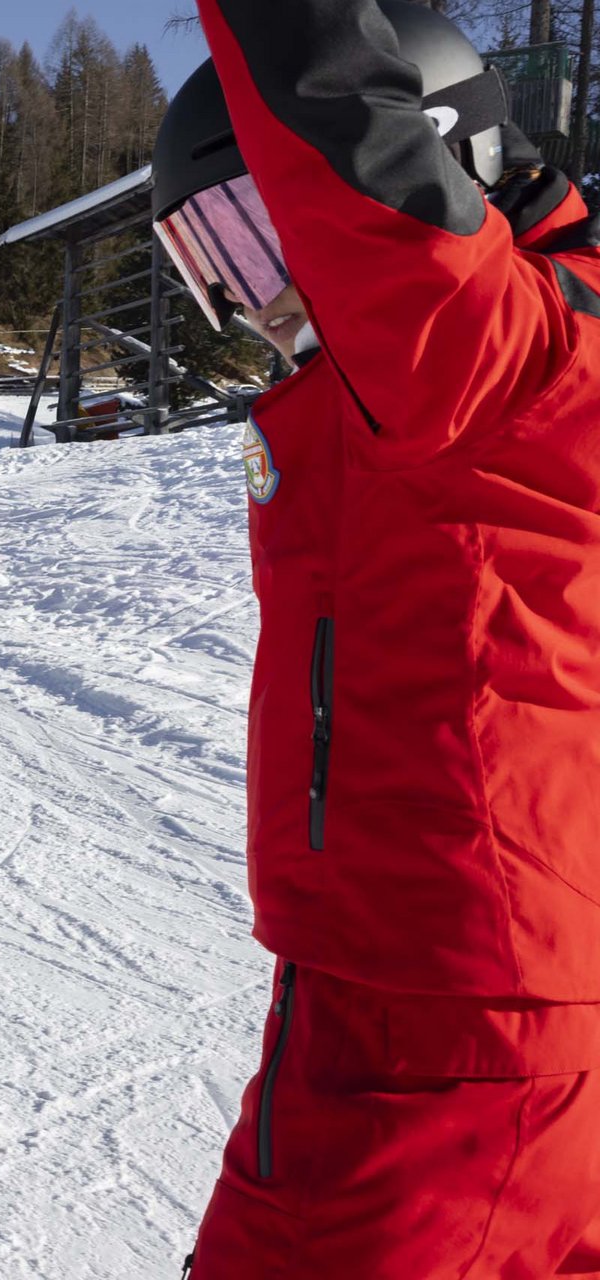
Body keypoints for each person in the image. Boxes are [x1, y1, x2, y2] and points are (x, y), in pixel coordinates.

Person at [153, 2, 600, 1274]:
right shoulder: (534, 363)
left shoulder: (488, 356)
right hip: (506, 1000)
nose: (266, 298)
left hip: (436, 1029)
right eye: (219, 262)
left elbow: (332, 103)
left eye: (268, 231)